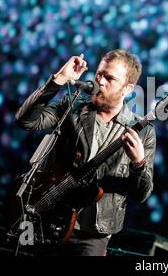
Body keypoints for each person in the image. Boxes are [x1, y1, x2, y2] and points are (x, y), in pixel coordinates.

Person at [14, 49, 156, 256]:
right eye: (99, 73)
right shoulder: (72, 108)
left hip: (93, 232)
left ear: (127, 89)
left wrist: (138, 163)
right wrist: (60, 79)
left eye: (109, 78)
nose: (100, 81)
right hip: (50, 216)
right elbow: (26, 120)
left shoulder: (143, 132)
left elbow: (142, 194)